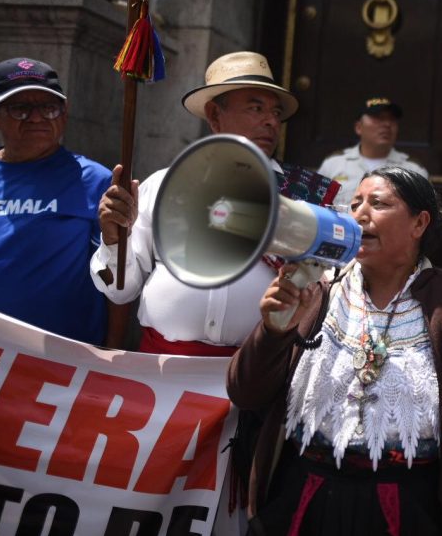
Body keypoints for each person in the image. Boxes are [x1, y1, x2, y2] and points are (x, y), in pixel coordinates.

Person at [228, 166, 442, 536]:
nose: (359, 214)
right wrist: (272, 332)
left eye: (378, 203)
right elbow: (245, 393)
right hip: (306, 502)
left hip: (413, 514)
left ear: (420, 223)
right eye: (354, 204)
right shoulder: (316, 289)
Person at [90, 50, 338, 356]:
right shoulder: (163, 185)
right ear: (215, 115)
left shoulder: (301, 194)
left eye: (275, 113)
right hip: (162, 375)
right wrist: (114, 241)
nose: (271, 122)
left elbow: (328, 292)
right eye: (256, 108)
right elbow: (118, 290)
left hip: (256, 374)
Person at [0, 57, 123, 346]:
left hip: (62, 365)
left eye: (49, 107)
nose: (37, 118)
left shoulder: (96, 181)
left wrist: (114, 354)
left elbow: (117, 277)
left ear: (65, 113)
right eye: (20, 109)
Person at [319, 97, 428, 208]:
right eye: (378, 118)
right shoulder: (333, 164)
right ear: (358, 127)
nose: (387, 124)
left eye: (392, 120)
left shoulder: (413, 171)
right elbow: (315, 209)